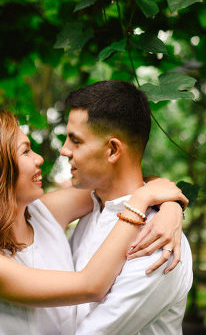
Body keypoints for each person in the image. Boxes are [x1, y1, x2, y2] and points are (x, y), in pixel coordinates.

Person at [0, 110, 188, 335]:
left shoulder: (44, 213)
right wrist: (143, 200)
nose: (39, 159)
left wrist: (170, 208)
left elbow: (120, 181)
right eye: (25, 151)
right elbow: (91, 286)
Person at [62, 80, 194, 334]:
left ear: (113, 150)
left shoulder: (157, 241)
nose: (64, 150)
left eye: (75, 141)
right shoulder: (90, 213)